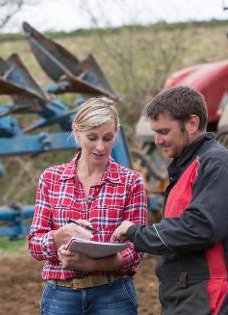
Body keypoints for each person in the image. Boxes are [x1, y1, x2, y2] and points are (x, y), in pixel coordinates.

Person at [112, 87, 228, 315]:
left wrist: (137, 234)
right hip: (187, 294)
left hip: (210, 294)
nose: (158, 140)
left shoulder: (216, 164)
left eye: (164, 131)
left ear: (192, 124)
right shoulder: (187, 167)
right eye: (156, 132)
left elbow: (201, 227)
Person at [28, 96, 147, 315]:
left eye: (108, 137)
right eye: (92, 137)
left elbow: (138, 247)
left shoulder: (131, 182)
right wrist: (58, 237)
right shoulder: (51, 178)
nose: (100, 146)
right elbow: (34, 245)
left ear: (116, 134)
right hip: (61, 295)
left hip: (113, 294)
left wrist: (95, 265)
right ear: (77, 131)